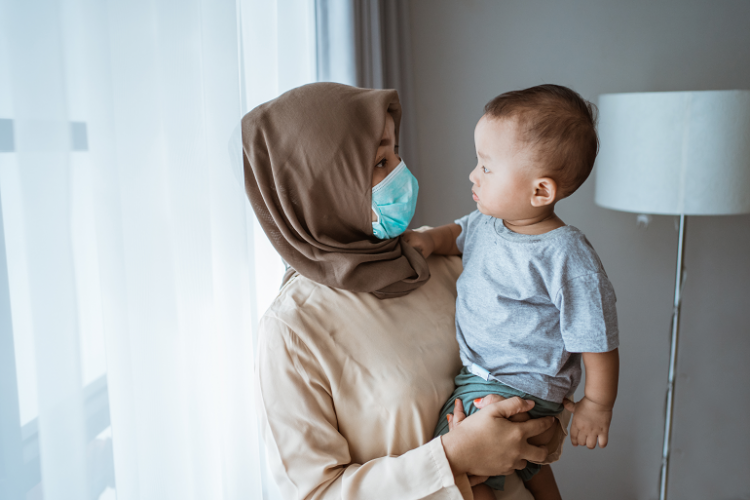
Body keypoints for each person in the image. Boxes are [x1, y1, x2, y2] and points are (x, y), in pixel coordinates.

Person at [243, 82, 570, 500]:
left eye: (396, 151)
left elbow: (538, 367)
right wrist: (452, 458)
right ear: (323, 186)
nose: (400, 172)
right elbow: (316, 492)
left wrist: (539, 428)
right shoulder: (292, 330)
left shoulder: (443, 259)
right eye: (380, 160)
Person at [404, 85, 620, 500]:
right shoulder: (489, 221)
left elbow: (598, 339)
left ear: (541, 191)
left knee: (456, 466)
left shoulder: (566, 256)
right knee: (528, 464)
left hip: (521, 386)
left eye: (487, 167)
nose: (473, 174)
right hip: (483, 373)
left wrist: (598, 404)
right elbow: (458, 234)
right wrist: (432, 241)